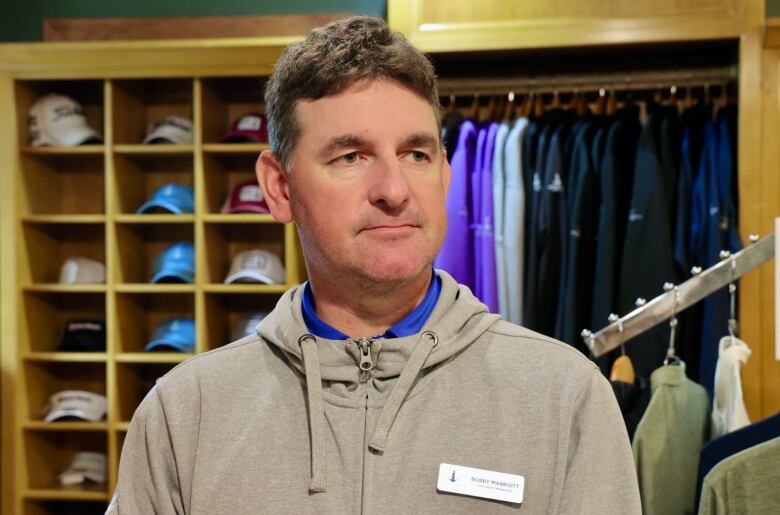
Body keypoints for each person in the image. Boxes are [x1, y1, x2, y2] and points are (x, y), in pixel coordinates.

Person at [107, 16, 640, 514]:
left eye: (417, 154)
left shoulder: (564, 396)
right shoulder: (186, 415)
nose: (394, 190)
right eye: (351, 156)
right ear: (279, 187)